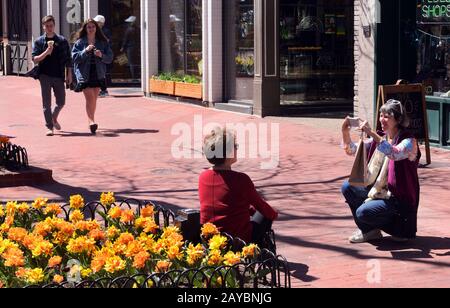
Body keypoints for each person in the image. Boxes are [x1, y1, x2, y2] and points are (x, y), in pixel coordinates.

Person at [341, 99, 421, 244]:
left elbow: (394, 153)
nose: (382, 120)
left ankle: (399, 229)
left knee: (363, 212)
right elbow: (353, 150)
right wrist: (344, 131)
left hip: (397, 199)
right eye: (381, 115)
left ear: (398, 119)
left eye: (386, 116)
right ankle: (370, 231)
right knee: (348, 187)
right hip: (378, 191)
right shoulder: (380, 138)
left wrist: (371, 133)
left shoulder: (409, 141)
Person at [199, 127, 279, 245]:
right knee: (265, 215)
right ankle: (257, 251)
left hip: (210, 237)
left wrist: (250, 211)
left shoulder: (203, 176)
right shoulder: (241, 179)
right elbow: (260, 205)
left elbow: (226, 203)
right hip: (236, 238)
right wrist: (273, 214)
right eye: (235, 146)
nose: (237, 149)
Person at [32, 15, 72, 136]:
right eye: (47, 26)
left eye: (51, 26)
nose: (49, 28)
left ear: (54, 26)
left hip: (59, 75)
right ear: (43, 27)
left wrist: (69, 74)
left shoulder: (62, 40)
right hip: (44, 75)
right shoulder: (39, 42)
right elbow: (34, 59)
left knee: (61, 102)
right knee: (46, 103)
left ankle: (53, 118)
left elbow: (68, 59)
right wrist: (46, 52)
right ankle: (49, 127)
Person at [72, 19, 113, 135]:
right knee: (90, 98)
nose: (91, 29)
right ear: (85, 29)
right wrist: (85, 51)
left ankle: (91, 119)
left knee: (94, 98)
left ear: (96, 28)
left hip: (98, 73)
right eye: (88, 27)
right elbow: (74, 58)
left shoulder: (102, 42)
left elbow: (109, 58)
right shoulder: (80, 42)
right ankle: (91, 122)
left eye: (93, 27)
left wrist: (101, 55)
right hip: (84, 73)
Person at [93, 15, 112, 97]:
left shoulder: (105, 31)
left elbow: (107, 42)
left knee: (101, 72)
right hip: (97, 53)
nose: (96, 24)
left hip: (102, 54)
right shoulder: (97, 31)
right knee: (98, 73)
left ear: (101, 23)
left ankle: (104, 90)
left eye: (97, 22)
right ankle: (101, 90)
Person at [120, 16, 138, 80]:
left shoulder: (128, 30)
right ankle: (134, 76)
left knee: (130, 62)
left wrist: (122, 47)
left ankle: (132, 77)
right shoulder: (137, 29)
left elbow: (125, 39)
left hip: (129, 47)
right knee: (134, 62)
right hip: (135, 47)